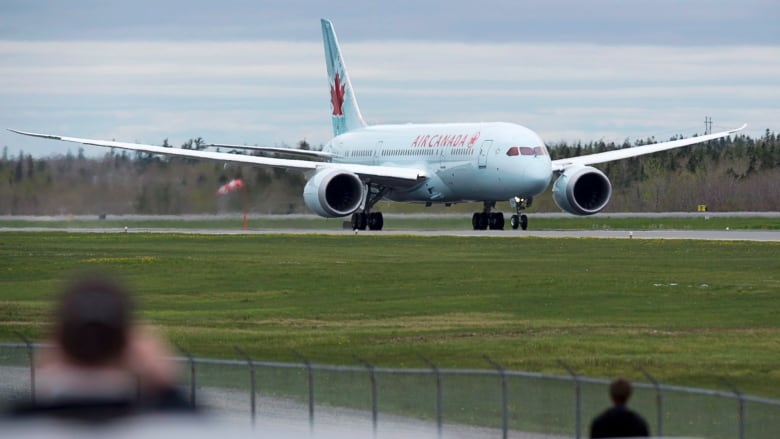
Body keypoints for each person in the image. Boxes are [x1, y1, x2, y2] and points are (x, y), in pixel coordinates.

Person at [11, 271, 193, 421]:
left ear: (59, 347)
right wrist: (167, 388)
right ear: (128, 344)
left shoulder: (16, 429)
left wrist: (42, 380)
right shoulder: (173, 427)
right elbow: (193, 422)